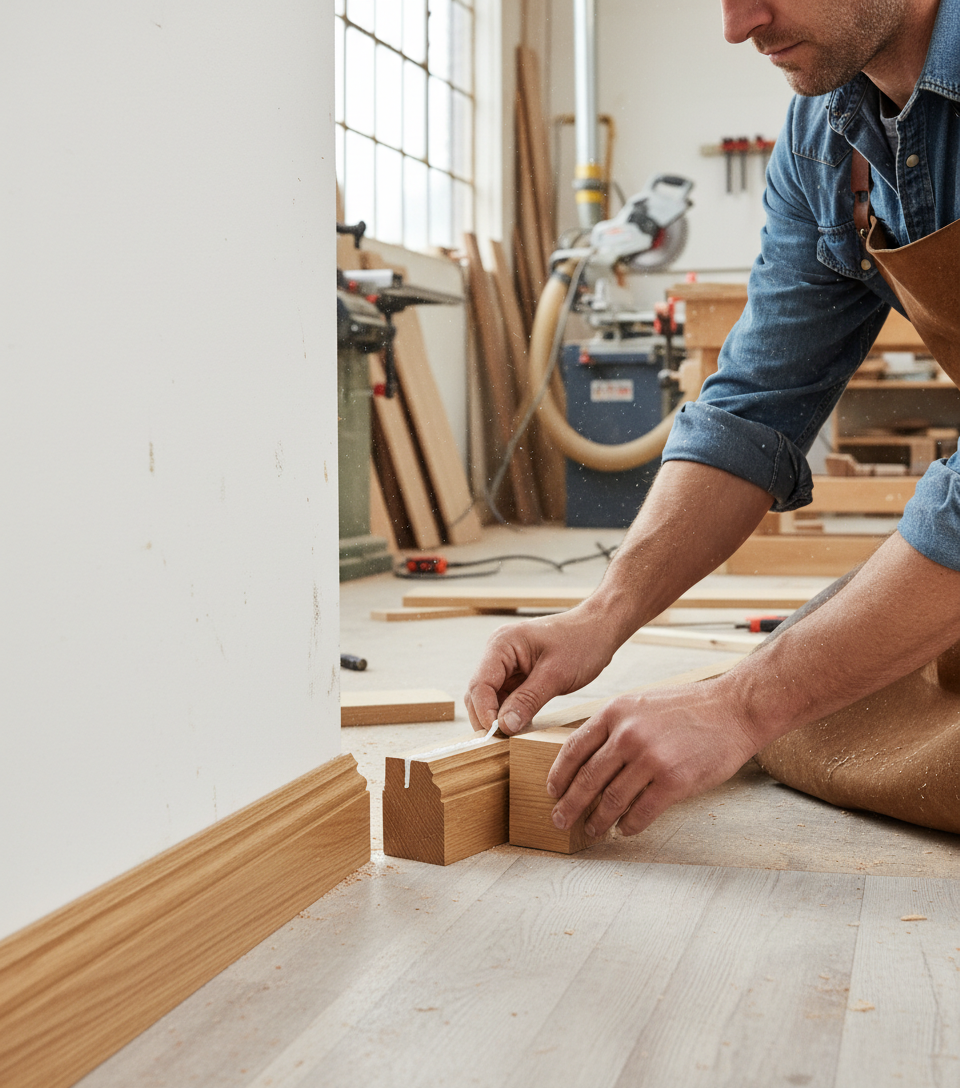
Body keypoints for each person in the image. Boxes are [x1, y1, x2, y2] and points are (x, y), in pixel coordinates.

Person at [465, 0, 960, 841]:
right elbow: (753, 408)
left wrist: (740, 705)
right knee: (824, 696)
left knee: (773, 697)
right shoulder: (825, 136)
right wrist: (603, 616)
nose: (738, 26)